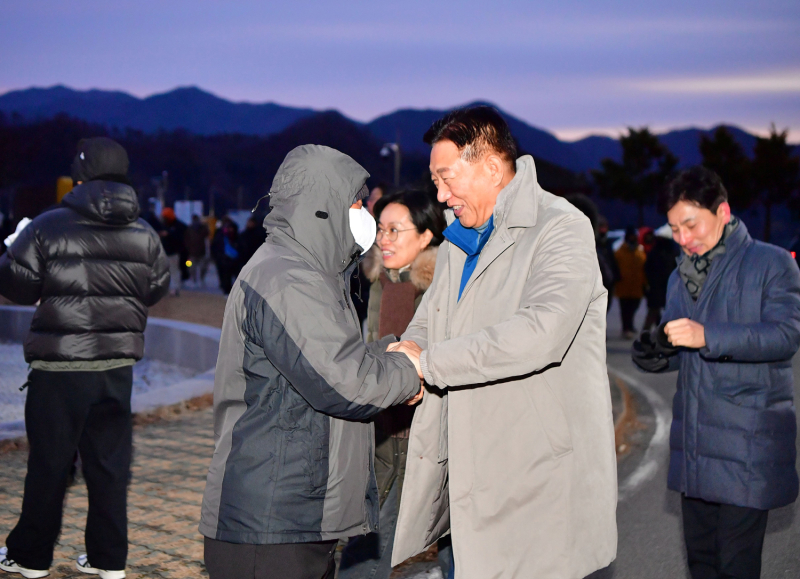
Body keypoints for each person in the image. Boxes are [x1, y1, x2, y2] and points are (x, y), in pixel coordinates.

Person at [388, 107, 617, 578]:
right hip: (470, 474)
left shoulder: (560, 227)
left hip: (537, 477)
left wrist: (429, 364)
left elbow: (541, 332)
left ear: (492, 167)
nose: (440, 194)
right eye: (435, 181)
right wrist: (407, 354)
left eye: (447, 178)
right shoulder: (459, 241)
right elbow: (429, 320)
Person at [199, 145, 424, 579]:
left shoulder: (310, 272)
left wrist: (389, 351)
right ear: (325, 207)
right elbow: (345, 384)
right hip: (271, 527)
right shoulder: (288, 278)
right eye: (358, 204)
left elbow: (328, 358)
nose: (366, 215)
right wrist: (409, 370)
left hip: (292, 519)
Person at [0, 137, 170, 579]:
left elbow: (17, 287)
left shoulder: (46, 226)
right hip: (116, 368)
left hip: (60, 366)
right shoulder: (144, 232)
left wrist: (13, 246)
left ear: (79, 176)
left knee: (49, 465)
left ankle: (30, 557)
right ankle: (108, 559)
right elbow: (155, 288)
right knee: (110, 468)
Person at [632, 167, 800, 579]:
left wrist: (707, 335)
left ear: (722, 212)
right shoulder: (679, 276)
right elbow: (682, 346)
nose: (683, 238)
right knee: (702, 563)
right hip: (695, 444)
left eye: (691, 225)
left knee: (734, 566)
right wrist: (656, 353)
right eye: (675, 229)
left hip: (747, 443)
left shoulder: (772, 263)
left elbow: (786, 335)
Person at [338, 190, 445, 579]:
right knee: (370, 539)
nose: (383, 239)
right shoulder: (378, 281)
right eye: (380, 229)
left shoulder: (442, 289)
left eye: (395, 230)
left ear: (426, 235)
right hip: (381, 429)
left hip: (422, 436)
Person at [642, 229, 678, 330]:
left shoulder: (655, 251)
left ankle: (650, 332)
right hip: (662, 286)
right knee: (657, 311)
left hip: (659, 287)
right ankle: (652, 332)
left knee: (655, 311)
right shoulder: (671, 252)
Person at [614, 226, 647, 338]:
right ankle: (626, 328)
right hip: (623, 285)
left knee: (634, 306)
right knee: (625, 309)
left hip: (637, 285)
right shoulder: (620, 252)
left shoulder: (640, 251)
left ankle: (630, 325)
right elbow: (615, 267)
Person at [159, 208, 187, 296]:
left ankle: (174, 288)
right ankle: (168, 288)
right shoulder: (167, 225)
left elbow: (180, 238)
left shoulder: (177, 226)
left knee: (174, 270)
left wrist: (168, 234)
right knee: (166, 272)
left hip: (174, 252)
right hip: (166, 252)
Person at [210, 217, 240, 295]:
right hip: (224, 258)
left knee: (228, 276)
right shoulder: (221, 234)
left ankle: (228, 290)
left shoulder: (222, 233)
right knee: (226, 276)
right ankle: (227, 290)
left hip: (230, 259)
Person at [596, 216, 621, 312]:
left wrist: (616, 276)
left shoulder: (607, 243)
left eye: (604, 227)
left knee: (606, 307)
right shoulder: (594, 243)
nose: (603, 230)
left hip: (608, 281)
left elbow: (612, 260)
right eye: (600, 227)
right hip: (598, 282)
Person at [184, 214, 210, 286]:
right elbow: (186, 240)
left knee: (202, 267)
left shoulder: (202, 228)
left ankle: (200, 278)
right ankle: (194, 279)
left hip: (200, 252)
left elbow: (207, 235)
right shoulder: (190, 229)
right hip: (192, 252)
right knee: (192, 268)